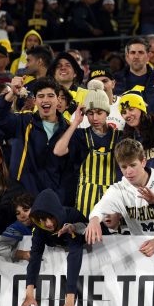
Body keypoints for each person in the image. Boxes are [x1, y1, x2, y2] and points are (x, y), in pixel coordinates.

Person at [86, 138, 154, 255]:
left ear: (143, 162)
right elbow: (100, 208)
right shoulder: (118, 189)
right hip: (140, 251)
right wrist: (94, 220)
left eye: (133, 165)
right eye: (124, 167)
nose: (128, 172)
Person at [0, 76, 72, 203]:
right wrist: (12, 92)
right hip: (20, 196)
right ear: (34, 100)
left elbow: (69, 171)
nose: (45, 100)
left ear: (58, 100)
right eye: (41, 96)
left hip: (51, 199)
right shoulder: (23, 121)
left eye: (50, 96)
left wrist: (58, 199)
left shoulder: (68, 129)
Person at [53, 80, 121, 217]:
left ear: (107, 112)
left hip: (112, 198)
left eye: (99, 112)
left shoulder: (119, 137)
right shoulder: (80, 135)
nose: (94, 118)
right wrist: (76, 122)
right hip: (85, 199)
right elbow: (58, 151)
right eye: (90, 113)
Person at [18, 189, 88, 306]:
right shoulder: (39, 228)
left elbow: (74, 254)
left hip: (94, 243)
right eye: (43, 219)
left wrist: (70, 298)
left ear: (57, 213)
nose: (48, 224)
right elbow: (35, 256)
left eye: (51, 217)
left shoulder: (70, 216)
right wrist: (29, 293)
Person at [0, 192, 34, 262]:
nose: (22, 216)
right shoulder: (17, 227)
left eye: (26, 210)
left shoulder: (47, 221)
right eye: (18, 213)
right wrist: (22, 254)